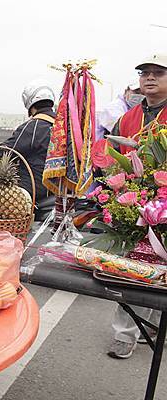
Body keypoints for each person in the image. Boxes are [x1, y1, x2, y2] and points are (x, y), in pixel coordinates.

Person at [107, 53, 167, 360]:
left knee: (162, 270)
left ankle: (154, 324)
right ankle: (125, 333)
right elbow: (111, 158)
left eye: (158, 72)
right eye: (145, 72)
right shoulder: (126, 118)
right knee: (132, 267)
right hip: (134, 204)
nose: (150, 77)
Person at [0, 80, 56, 206]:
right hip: (56, 188)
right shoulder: (60, 125)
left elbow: (9, 151)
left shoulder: (34, 126)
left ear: (30, 104)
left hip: (32, 189)